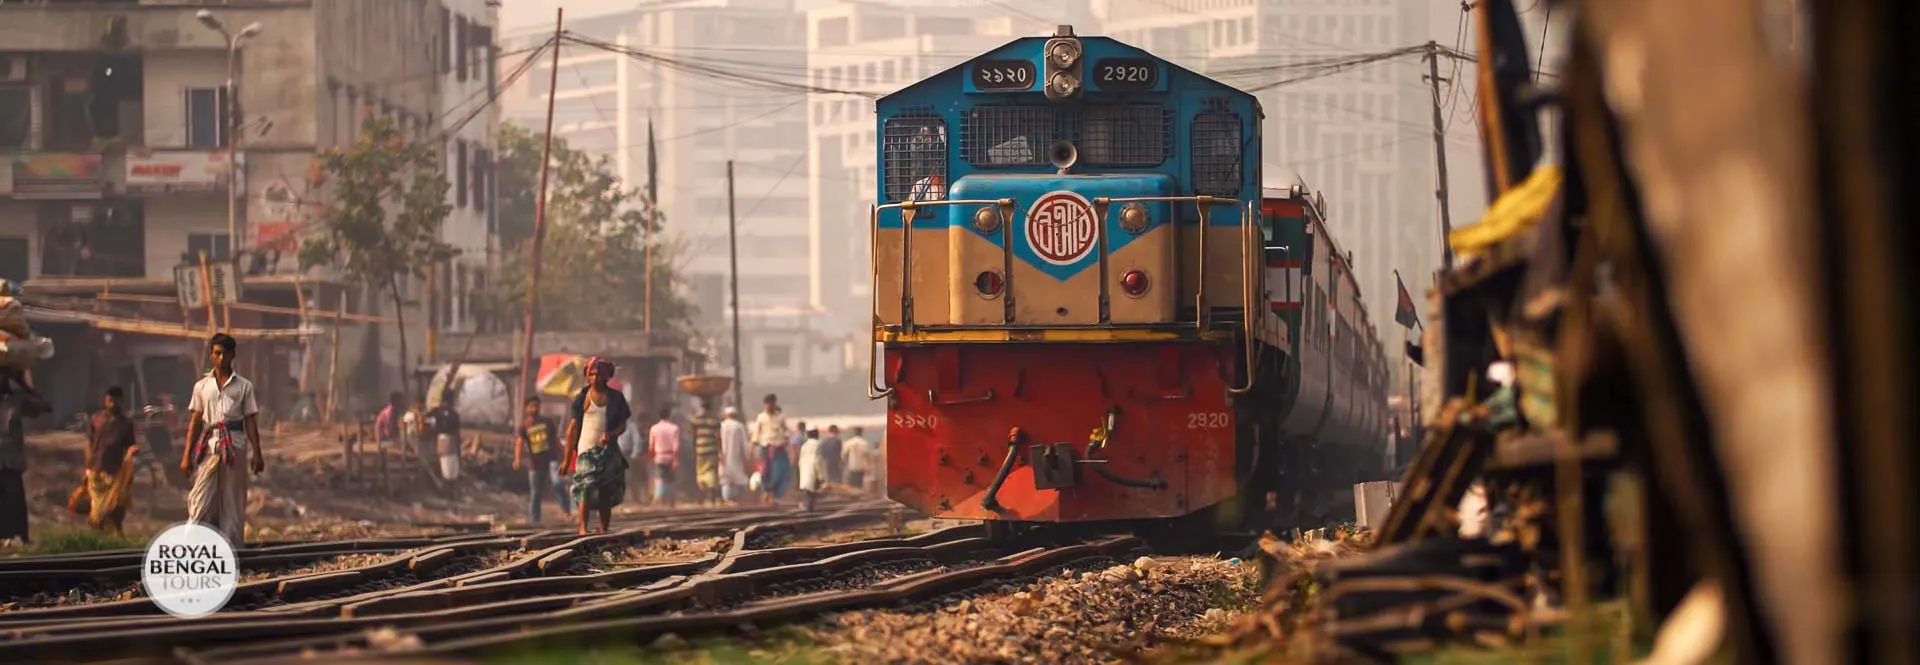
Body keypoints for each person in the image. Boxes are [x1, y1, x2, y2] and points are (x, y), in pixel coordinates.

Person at [182, 333, 264, 547]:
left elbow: (250, 420)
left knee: (232, 500)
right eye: (217, 353)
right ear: (211, 355)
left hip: (235, 444)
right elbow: (196, 420)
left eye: (225, 353)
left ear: (232, 355)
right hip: (208, 446)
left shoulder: (244, 386)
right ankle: (196, 544)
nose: (221, 358)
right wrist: (186, 456)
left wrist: (257, 452)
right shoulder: (201, 386)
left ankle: (231, 547)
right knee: (200, 497)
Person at [564, 358, 630, 534]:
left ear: (607, 376)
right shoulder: (581, 398)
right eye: (591, 374)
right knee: (585, 489)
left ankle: (603, 529)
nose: (595, 377)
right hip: (586, 451)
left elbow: (623, 425)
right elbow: (572, 428)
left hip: (609, 451)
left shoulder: (616, 398)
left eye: (599, 374)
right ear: (587, 376)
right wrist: (566, 459)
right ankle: (582, 528)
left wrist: (612, 434)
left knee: (605, 492)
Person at [0, 374, 48, 547]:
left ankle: (19, 538)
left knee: (15, 501)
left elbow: (45, 407)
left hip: (12, 461)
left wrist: (24, 384)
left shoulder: (17, 400)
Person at [83, 386, 139, 535]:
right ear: (105, 400)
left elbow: (130, 446)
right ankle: (98, 535)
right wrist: (87, 464)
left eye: (116, 401)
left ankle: (116, 532)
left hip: (113, 471)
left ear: (121, 402)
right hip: (95, 470)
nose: (113, 404)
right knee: (97, 507)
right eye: (110, 400)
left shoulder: (126, 424)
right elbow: (89, 441)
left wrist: (132, 453)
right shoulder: (96, 419)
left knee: (115, 504)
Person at [513, 397, 570, 523]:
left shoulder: (547, 422)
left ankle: (567, 512)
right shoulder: (524, 426)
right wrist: (517, 459)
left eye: (537, 405)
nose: (535, 408)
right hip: (535, 463)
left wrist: (566, 456)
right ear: (526, 408)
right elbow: (519, 443)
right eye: (532, 406)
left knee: (558, 483)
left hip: (552, 460)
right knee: (535, 492)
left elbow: (556, 441)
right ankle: (535, 520)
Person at [752, 394, 791, 506]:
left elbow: (786, 432)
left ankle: (774, 495)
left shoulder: (780, 417)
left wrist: (786, 440)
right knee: (765, 473)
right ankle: (768, 493)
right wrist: (752, 451)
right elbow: (755, 435)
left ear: (774, 403)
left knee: (779, 473)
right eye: (767, 404)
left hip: (778, 448)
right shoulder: (761, 417)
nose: (769, 406)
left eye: (771, 403)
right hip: (765, 448)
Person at [423, 392, 463, 482]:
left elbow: (425, 417)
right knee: (449, 467)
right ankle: (449, 485)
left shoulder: (439, 412)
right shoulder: (450, 414)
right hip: (446, 441)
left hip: (445, 440)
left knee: (449, 467)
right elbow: (457, 432)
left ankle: (449, 485)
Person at [647, 406, 682, 509]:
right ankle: (671, 501)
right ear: (669, 415)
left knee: (660, 479)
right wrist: (675, 459)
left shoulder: (654, 428)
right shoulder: (674, 428)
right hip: (670, 457)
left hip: (659, 457)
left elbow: (651, 446)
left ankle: (661, 499)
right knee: (671, 480)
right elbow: (676, 446)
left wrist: (651, 458)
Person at [690, 399, 721, 505]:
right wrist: (720, 450)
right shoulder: (715, 420)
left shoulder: (696, 419)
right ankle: (711, 495)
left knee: (700, 472)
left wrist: (693, 448)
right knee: (711, 472)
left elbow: (693, 436)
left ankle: (702, 496)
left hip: (700, 450)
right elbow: (718, 437)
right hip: (712, 450)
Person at [718, 406, 750, 504]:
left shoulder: (721, 426)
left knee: (725, 479)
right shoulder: (739, 426)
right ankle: (737, 499)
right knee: (738, 479)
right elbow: (744, 444)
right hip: (736, 457)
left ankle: (727, 499)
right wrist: (746, 456)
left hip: (723, 457)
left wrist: (718, 454)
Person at [796, 427, 824, 512]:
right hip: (813, 469)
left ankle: (808, 506)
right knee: (813, 490)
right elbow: (817, 460)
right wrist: (820, 474)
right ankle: (807, 506)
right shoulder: (818, 444)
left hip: (805, 469)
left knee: (809, 490)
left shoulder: (804, 445)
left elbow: (801, 460)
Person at [842, 426, 874, 494]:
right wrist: (869, 466)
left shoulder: (849, 442)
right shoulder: (864, 443)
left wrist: (843, 465)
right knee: (859, 484)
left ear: (854, 433)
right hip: (861, 466)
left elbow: (844, 455)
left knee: (852, 483)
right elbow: (867, 456)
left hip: (851, 466)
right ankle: (858, 495)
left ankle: (853, 496)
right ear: (861, 432)